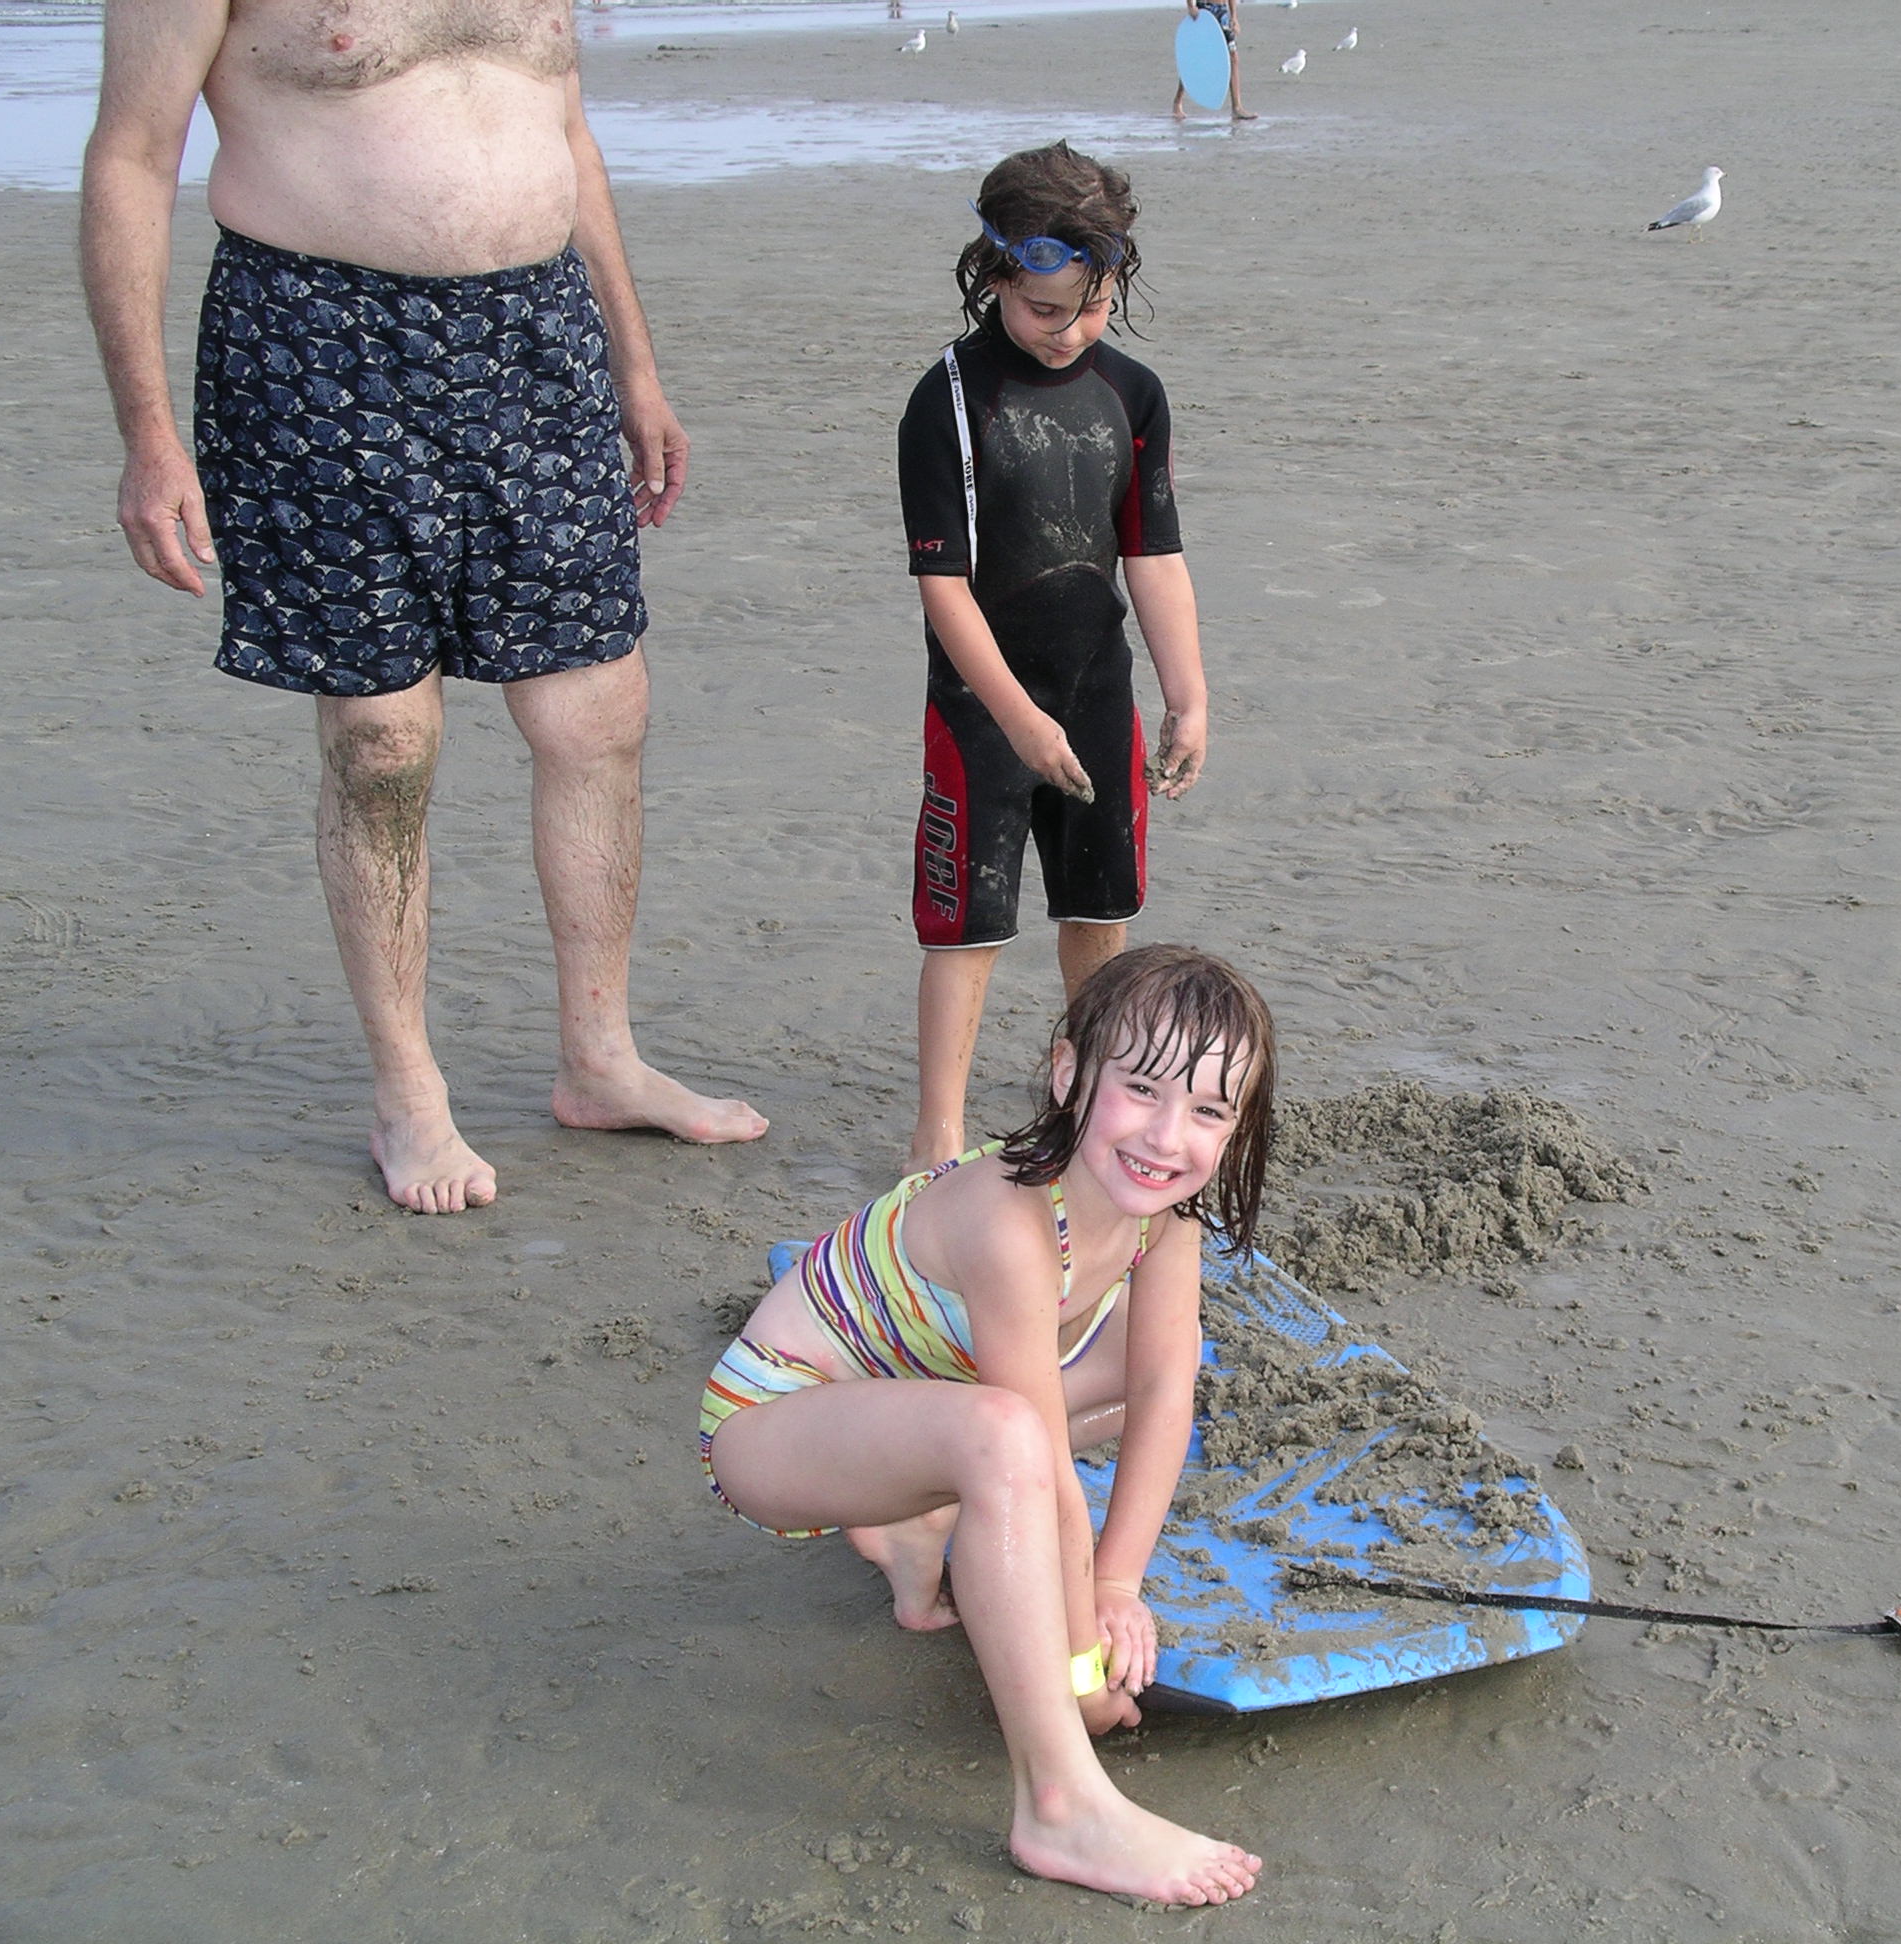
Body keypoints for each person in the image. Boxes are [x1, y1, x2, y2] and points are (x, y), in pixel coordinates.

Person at [79, 0, 766, 1215]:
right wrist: (149, 436)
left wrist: (636, 366)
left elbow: (567, 129)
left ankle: (600, 1058)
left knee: (598, 713)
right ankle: (409, 1094)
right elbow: (133, 155)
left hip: (540, 333)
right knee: (383, 741)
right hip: (315, 339)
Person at [700, 944, 1272, 1903]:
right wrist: (1082, 1673)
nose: (1167, 1136)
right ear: (1068, 1073)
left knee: (1150, 1366)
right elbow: (1042, 1466)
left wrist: (1119, 1583)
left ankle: (913, 1528)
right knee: (1008, 1440)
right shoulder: (1009, 1221)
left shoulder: (1165, 1216)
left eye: (1208, 1111)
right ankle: (1059, 1804)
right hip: (773, 1429)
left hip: (900, 1418)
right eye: (1140, 1089)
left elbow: (1164, 1393)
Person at [897, 143, 1210, 1173]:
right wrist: (1018, 720)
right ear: (993, 276)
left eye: (1093, 306)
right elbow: (944, 588)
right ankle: (938, 1137)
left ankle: (1089, 1103)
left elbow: (1152, 555)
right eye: (1044, 309)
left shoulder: (1134, 393)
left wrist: (1188, 694)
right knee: (968, 922)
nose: (1070, 329)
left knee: (1100, 908)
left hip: (1096, 693)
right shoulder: (947, 401)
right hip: (983, 709)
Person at [1172, 0, 1255, 121]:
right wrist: (1190, 6)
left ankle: (1237, 107)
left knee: (1233, 56)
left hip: (1222, 12)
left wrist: (1234, 16)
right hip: (1205, 11)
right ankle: (1177, 101)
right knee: (1196, 57)